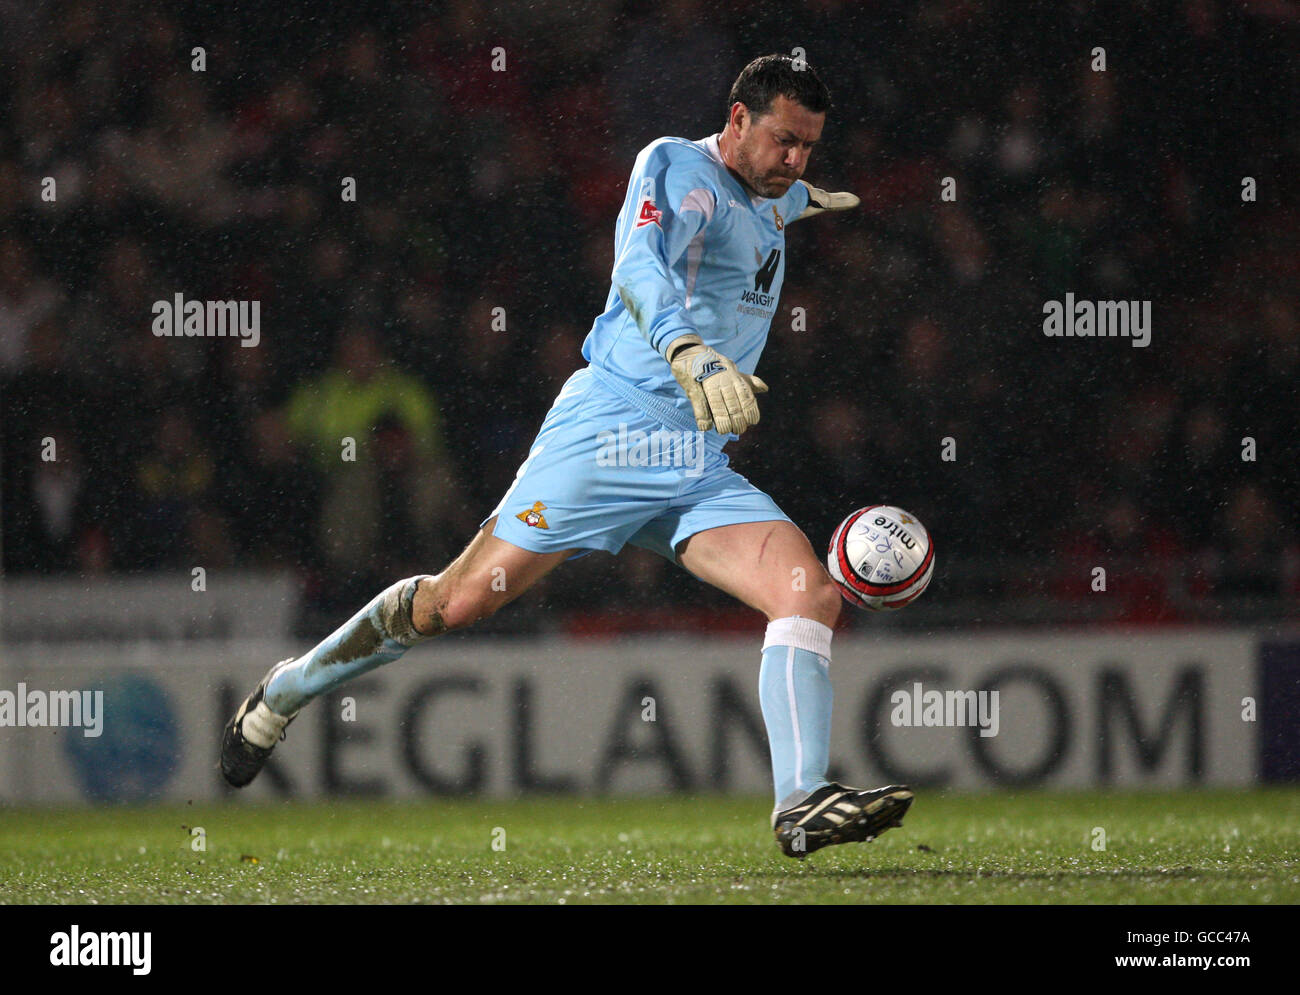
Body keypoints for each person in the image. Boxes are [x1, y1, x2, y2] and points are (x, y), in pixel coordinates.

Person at [221, 54, 913, 859]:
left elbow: (774, 198)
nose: (797, 161)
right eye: (785, 142)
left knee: (808, 594)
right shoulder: (675, 167)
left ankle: (800, 801)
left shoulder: (774, 191)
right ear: (735, 121)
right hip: (612, 433)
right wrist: (685, 347)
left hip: (695, 460)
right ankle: (284, 690)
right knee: (455, 605)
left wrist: (802, 197)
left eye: (810, 149)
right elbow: (637, 266)